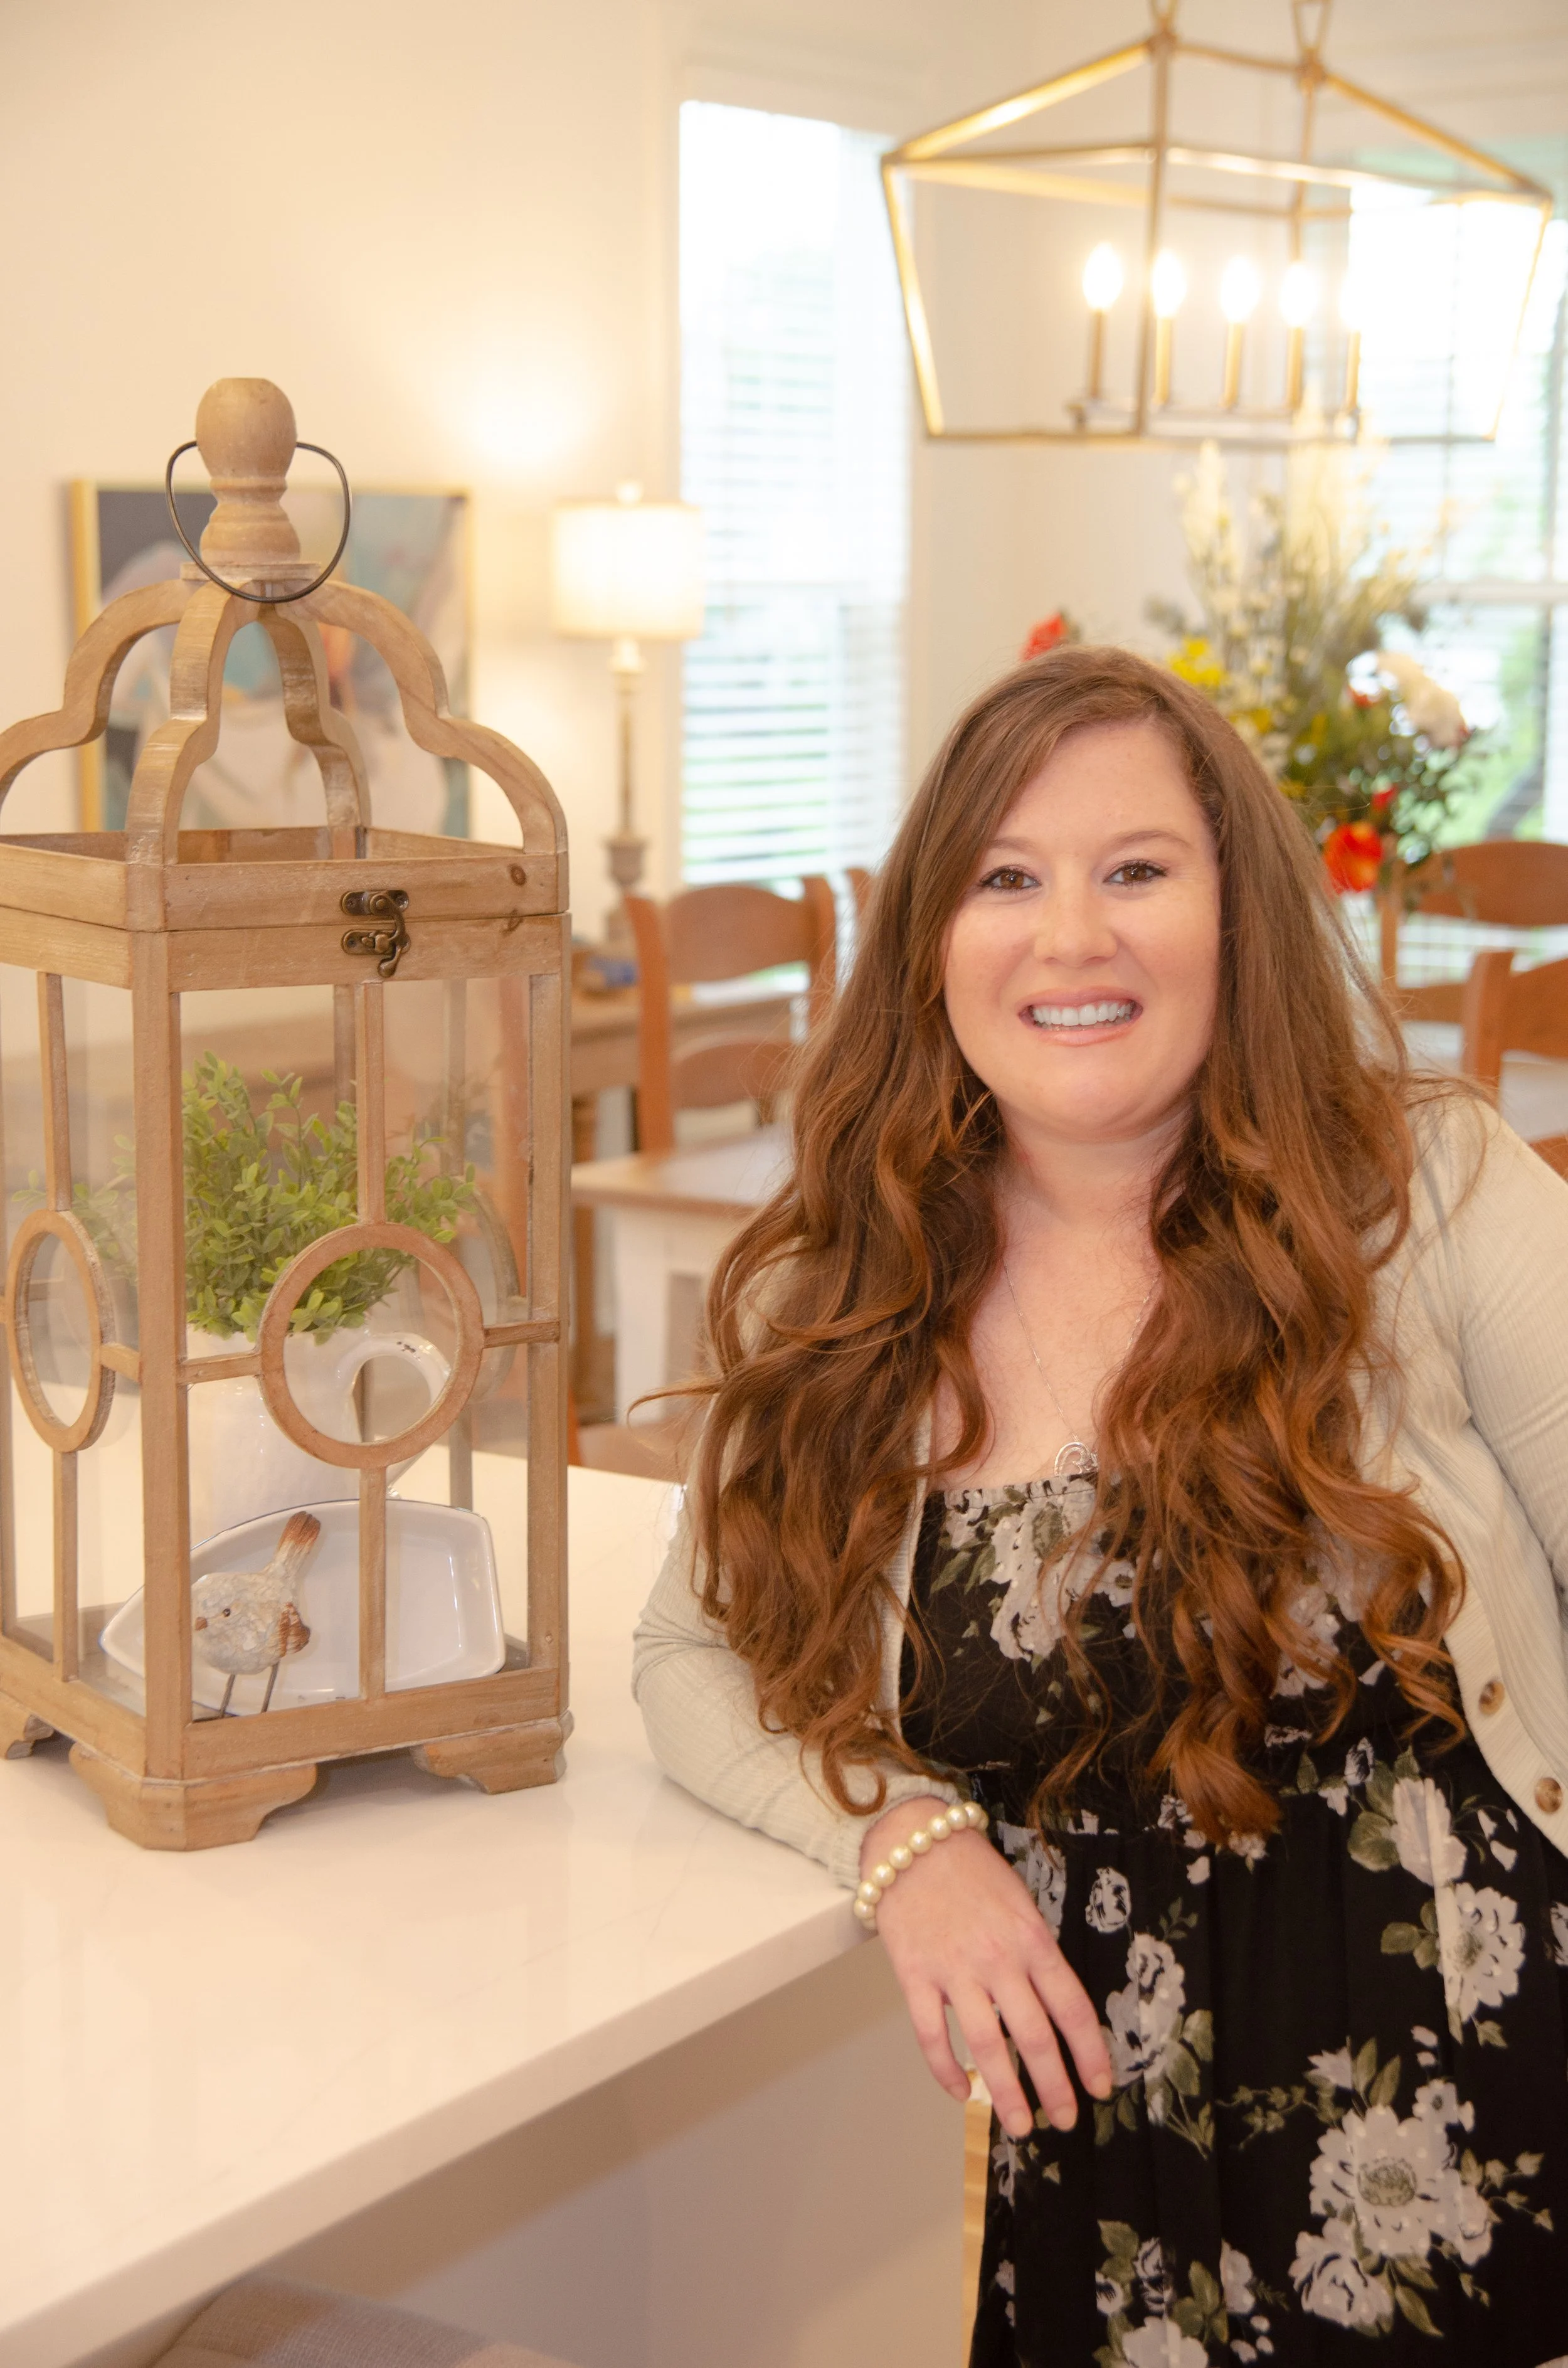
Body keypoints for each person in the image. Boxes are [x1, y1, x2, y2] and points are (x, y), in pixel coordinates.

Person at [632, 645, 1568, 2366]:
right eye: (1006, 877)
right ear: (933, 939)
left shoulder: (1424, 1191)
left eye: (1136, 868)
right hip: (1073, 2184)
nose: (1071, 936)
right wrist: (896, 1841)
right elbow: (685, 1657)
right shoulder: (848, 1293)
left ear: (1236, 914)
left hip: (1475, 2127)